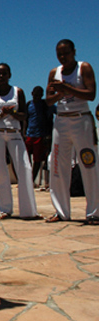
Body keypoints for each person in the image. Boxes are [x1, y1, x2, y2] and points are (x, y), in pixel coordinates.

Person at [45, 39, 99, 224]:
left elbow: (91, 94)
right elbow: (49, 101)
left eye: (66, 53)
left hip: (81, 118)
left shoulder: (84, 68)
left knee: (89, 165)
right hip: (61, 121)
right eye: (59, 54)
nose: (62, 57)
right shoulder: (55, 72)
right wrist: (59, 93)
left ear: (74, 52)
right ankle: (61, 211)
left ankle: (94, 212)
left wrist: (67, 88)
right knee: (58, 166)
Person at [0, 63, 39, 220]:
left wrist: (12, 112)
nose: (1, 77)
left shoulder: (18, 92)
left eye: (4, 73)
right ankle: (5, 209)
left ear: (9, 75)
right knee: (0, 170)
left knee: (25, 167)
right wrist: (0, 115)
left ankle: (29, 210)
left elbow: (23, 115)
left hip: (14, 133)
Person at [24, 86, 53, 188]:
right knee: (26, 159)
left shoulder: (45, 105)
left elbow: (52, 115)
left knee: (37, 160)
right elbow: (25, 119)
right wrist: (24, 133)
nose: (37, 96)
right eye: (35, 94)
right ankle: (27, 179)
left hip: (40, 135)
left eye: (39, 94)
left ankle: (31, 180)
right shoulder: (29, 105)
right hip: (29, 135)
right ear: (32, 94)